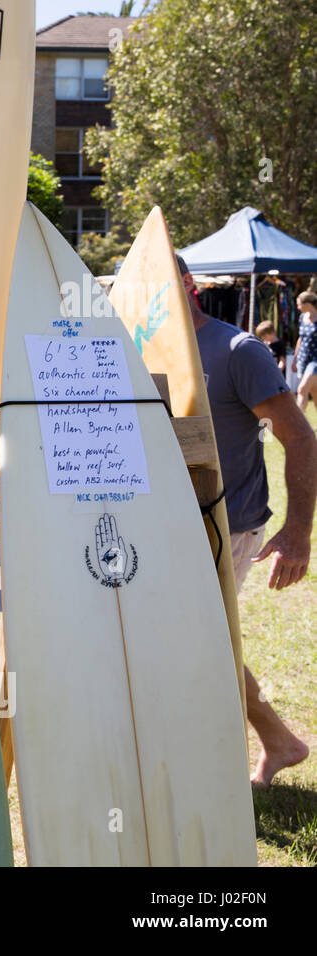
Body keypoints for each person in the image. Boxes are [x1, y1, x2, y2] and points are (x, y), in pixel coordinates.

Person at [180, 256, 316, 785]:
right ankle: (279, 742)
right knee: (198, 637)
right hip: (170, 527)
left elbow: (300, 438)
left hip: (230, 523)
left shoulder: (239, 350)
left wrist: (298, 532)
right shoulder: (132, 348)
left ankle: (232, 758)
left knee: (199, 639)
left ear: (189, 285)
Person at [294, 291, 317, 410]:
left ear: (308, 304)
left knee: (302, 389)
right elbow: (301, 339)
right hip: (303, 359)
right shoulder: (302, 317)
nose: (298, 308)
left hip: (315, 360)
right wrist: (295, 358)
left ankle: (296, 426)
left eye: (299, 305)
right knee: (315, 393)